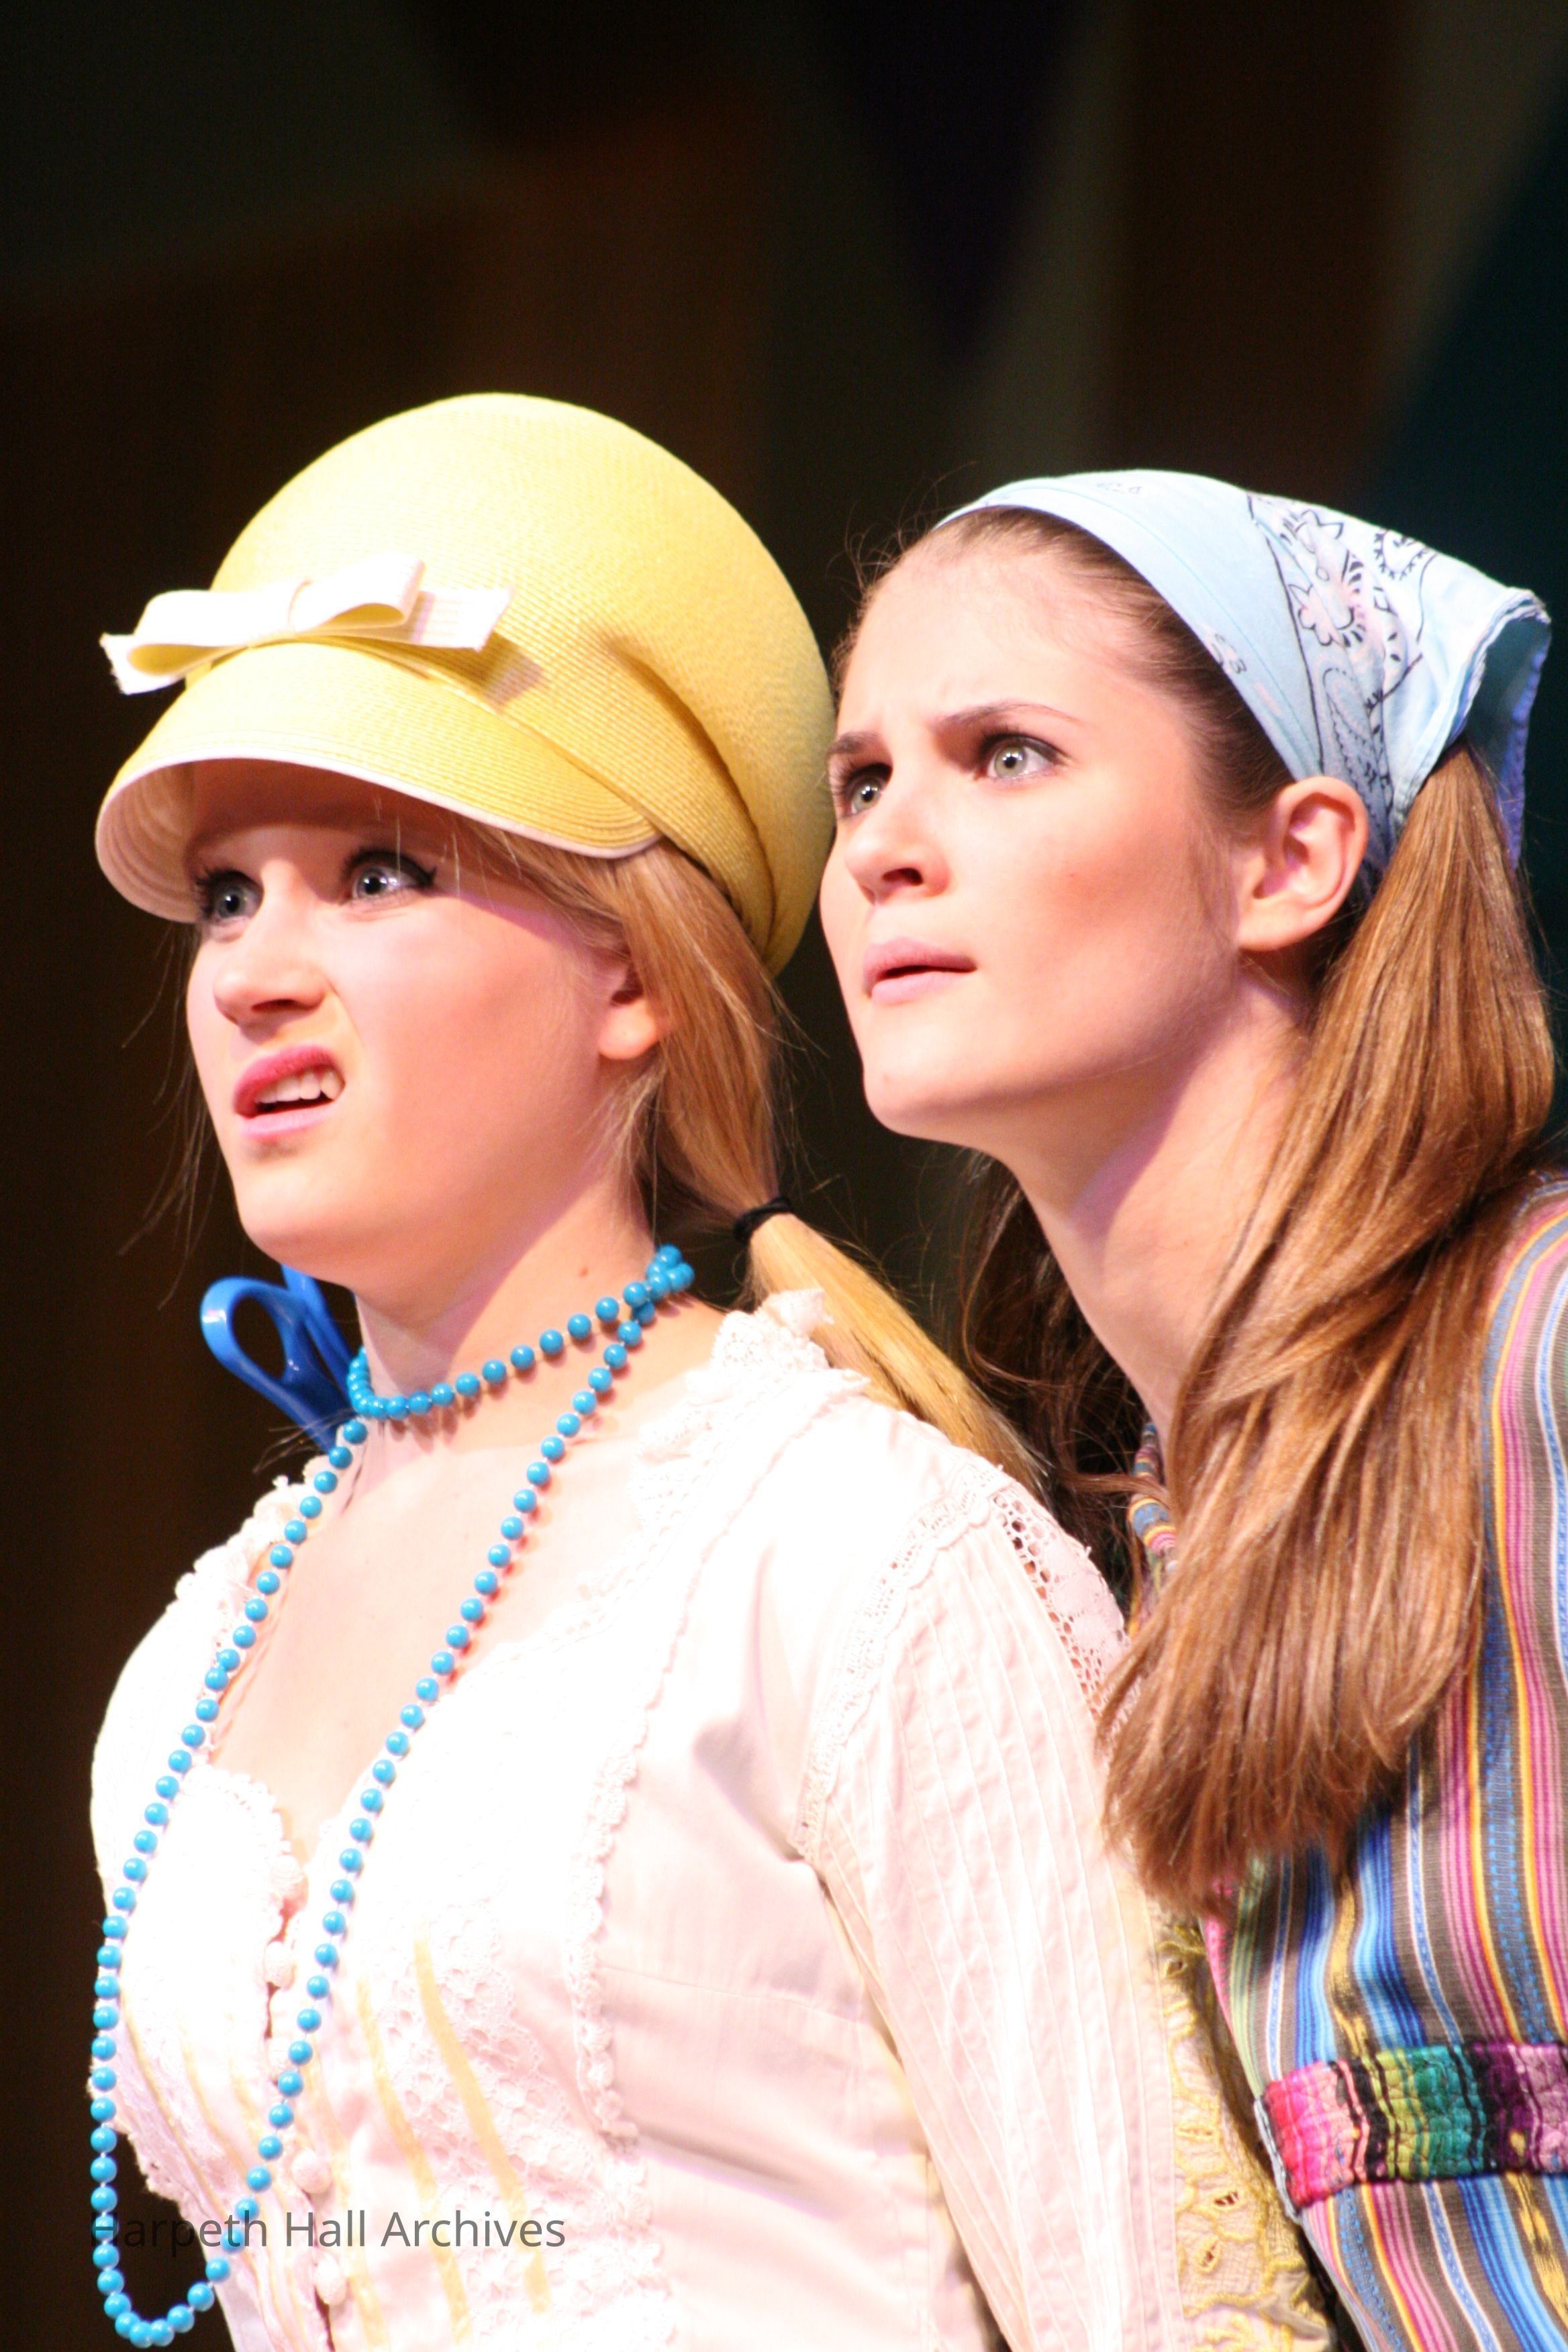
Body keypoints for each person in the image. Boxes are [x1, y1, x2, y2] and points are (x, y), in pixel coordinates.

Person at [83, 403, 1328, 2352]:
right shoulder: (191, 1670)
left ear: (633, 976)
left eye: (381, 872)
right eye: (231, 893)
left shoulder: (847, 1548)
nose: (252, 972)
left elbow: (1158, 2296)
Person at [819, 465, 1567, 2349]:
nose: (889, 845)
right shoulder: (1165, 1530)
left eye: (1005, 755)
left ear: (1288, 862)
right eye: (861, 782)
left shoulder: (1543, 1349)